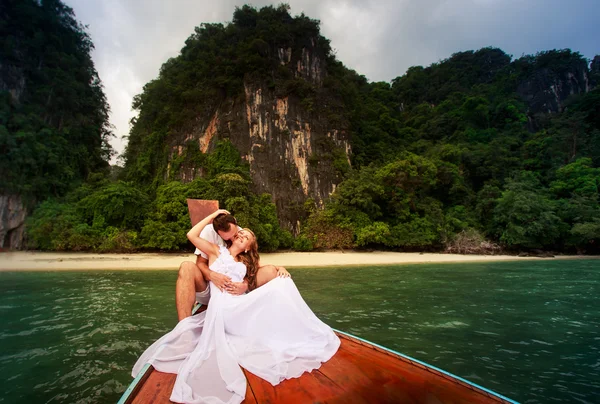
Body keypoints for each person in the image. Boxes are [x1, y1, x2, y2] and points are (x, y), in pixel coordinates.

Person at [132, 209, 340, 404]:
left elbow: (265, 269)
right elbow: (191, 235)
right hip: (222, 305)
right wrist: (213, 214)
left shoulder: (245, 261)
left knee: (282, 282)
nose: (240, 236)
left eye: (244, 237)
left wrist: (279, 268)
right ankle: (186, 332)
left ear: (248, 245)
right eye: (239, 235)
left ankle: (294, 322)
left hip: (238, 302)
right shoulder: (215, 250)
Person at [175, 212, 289, 320]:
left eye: (235, 234)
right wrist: (212, 275)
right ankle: (184, 326)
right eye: (228, 237)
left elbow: (258, 266)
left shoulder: (241, 236)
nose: (235, 237)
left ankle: (276, 316)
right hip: (212, 286)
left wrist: (246, 284)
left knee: (272, 272)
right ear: (218, 233)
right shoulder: (214, 246)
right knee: (186, 267)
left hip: (235, 294)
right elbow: (198, 259)